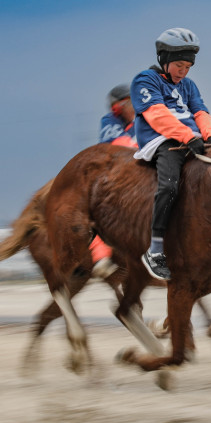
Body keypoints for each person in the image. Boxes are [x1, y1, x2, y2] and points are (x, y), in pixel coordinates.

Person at [131, 27, 211, 281]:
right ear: (164, 59)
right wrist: (188, 137)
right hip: (162, 140)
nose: (183, 71)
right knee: (169, 187)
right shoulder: (145, 80)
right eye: (179, 65)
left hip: (191, 140)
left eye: (188, 67)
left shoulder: (189, 85)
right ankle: (156, 249)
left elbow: (201, 112)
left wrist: (210, 136)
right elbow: (157, 116)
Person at [89, 83, 138, 277]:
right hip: (113, 174)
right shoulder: (109, 121)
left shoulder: (140, 121)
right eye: (131, 102)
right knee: (102, 209)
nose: (136, 106)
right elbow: (121, 145)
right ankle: (101, 256)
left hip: (137, 171)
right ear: (119, 106)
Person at [98, 83, 138, 149]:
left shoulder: (139, 122)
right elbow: (117, 144)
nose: (134, 107)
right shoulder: (110, 120)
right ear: (117, 108)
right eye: (129, 103)